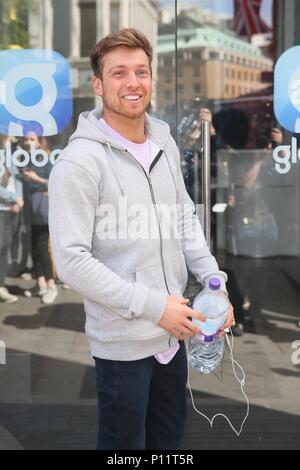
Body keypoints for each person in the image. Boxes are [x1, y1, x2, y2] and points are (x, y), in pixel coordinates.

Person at [48, 28, 234, 450]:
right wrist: (155, 308)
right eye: (118, 74)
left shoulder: (163, 142)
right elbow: (71, 261)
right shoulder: (79, 163)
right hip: (123, 346)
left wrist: (213, 282)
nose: (132, 83)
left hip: (175, 334)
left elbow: (183, 217)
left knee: (169, 444)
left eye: (141, 72)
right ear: (98, 84)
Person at [22, 132, 57, 304]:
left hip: (43, 208)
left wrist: (37, 179)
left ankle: (51, 285)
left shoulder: (47, 158)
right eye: (26, 139)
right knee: (34, 246)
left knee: (42, 246)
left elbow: (56, 181)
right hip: (29, 208)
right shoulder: (23, 159)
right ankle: (41, 283)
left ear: (39, 141)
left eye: (32, 139)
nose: (28, 142)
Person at [0, 136, 24, 303]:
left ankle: (1, 286)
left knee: (4, 250)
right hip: (2, 209)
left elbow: (16, 178)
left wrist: (19, 200)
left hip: (11, 209)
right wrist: (14, 198)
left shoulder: (8, 154)